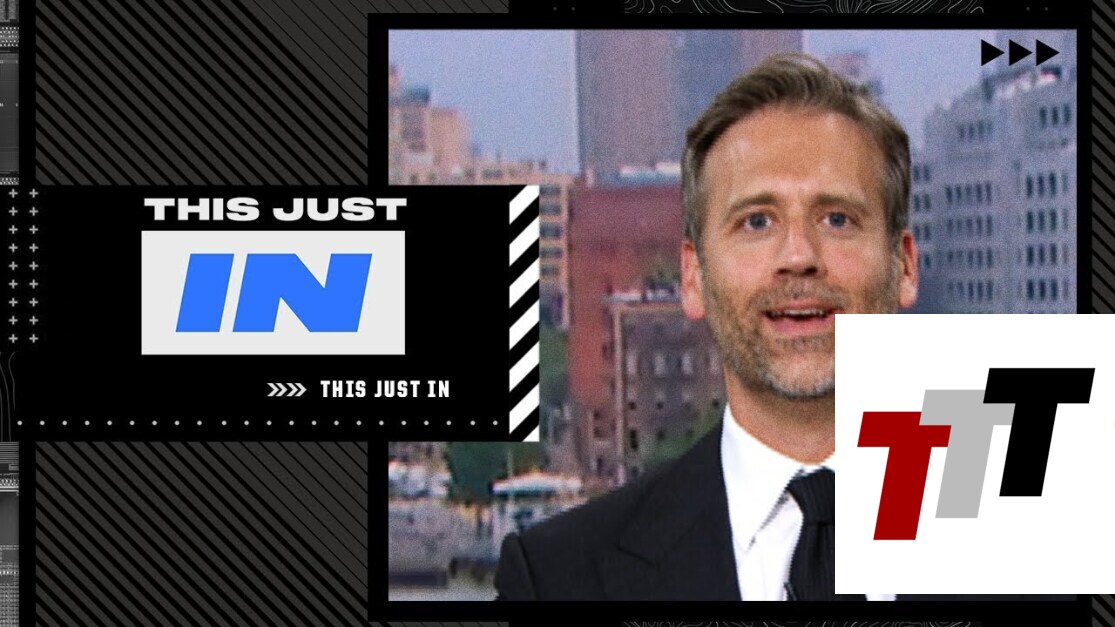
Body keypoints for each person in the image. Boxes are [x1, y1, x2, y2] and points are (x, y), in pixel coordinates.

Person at [494, 52, 1059, 602]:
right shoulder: (557, 581)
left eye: (837, 218)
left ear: (905, 266)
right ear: (693, 277)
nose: (798, 257)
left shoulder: (1052, 562)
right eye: (757, 221)